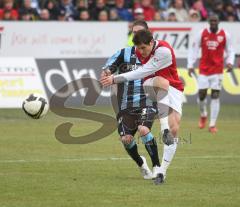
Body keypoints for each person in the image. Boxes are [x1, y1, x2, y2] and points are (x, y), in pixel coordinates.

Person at [101, 29, 184, 184]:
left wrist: (115, 79)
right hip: (151, 84)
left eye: (143, 48)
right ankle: (163, 128)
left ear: (151, 43)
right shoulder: (138, 51)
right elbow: (143, 73)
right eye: (138, 48)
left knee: (174, 130)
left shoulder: (164, 51)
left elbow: (143, 70)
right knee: (161, 81)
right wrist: (108, 72)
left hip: (174, 89)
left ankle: (161, 171)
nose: (140, 52)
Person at [101, 20, 161, 180]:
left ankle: (157, 167)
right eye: (133, 32)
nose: (136, 35)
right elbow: (109, 67)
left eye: (139, 32)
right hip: (126, 104)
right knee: (126, 139)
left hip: (147, 101)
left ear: (148, 34)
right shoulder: (124, 53)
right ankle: (141, 163)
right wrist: (106, 73)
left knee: (143, 130)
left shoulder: (157, 54)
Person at [187, 15, 235, 133]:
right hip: (203, 70)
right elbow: (194, 49)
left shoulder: (224, 35)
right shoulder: (202, 33)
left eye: (215, 21)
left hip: (217, 70)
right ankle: (203, 114)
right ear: (209, 22)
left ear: (218, 22)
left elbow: (231, 50)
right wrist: (190, 65)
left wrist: (229, 62)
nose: (213, 23)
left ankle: (212, 124)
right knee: (202, 95)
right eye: (211, 21)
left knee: (215, 95)